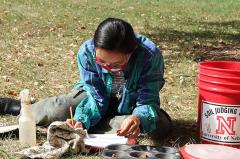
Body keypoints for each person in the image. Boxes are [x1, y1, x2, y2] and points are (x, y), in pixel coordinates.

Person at [0, 18, 172, 140]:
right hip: (93, 98)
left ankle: (110, 122)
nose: (107, 68)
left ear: (132, 50)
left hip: (131, 105)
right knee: (57, 110)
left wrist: (137, 118)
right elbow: (96, 97)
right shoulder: (86, 51)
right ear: (95, 49)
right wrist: (82, 120)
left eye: (116, 64)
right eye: (101, 62)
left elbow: (147, 99)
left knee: (159, 128)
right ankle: (19, 107)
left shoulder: (149, 55)